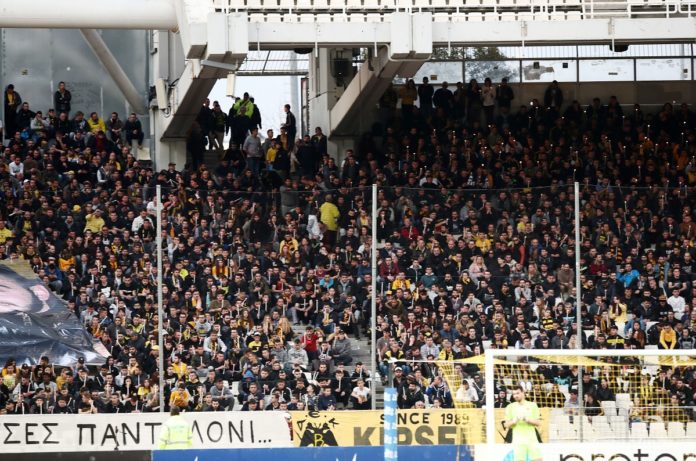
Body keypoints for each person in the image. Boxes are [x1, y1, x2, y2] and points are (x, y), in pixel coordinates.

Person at [504, 385, 542, 461]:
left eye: (517, 393)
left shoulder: (532, 405)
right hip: (518, 441)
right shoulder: (510, 407)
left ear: (523, 392)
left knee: (537, 459)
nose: (515, 396)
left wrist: (527, 419)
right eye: (514, 394)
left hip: (532, 439)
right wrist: (514, 421)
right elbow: (506, 425)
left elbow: (538, 423)